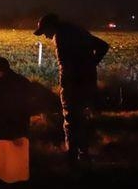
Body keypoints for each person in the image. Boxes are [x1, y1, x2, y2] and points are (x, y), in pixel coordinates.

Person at [34, 13, 109, 163]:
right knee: (81, 118)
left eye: (45, 32)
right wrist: (91, 65)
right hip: (87, 82)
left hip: (73, 85)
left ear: (51, 27)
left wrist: (66, 84)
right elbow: (103, 46)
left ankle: (72, 156)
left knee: (71, 119)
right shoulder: (77, 31)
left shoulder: (61, 37)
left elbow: (65, 66)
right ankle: (83, 154)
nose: (46, 36)